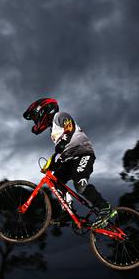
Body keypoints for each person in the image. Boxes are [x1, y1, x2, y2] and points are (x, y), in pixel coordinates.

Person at [23, 98, 116, 228]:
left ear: (43, 110)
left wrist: (62, 142)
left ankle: (105, 207)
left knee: (80, 185)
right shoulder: (52, 131)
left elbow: (69, 127)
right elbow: (65, 150)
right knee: (56, 182)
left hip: (83, 153)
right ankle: (68, 211)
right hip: (71, 158)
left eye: (35, 116)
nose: (35, 120)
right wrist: (55, 162)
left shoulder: (59, 116)